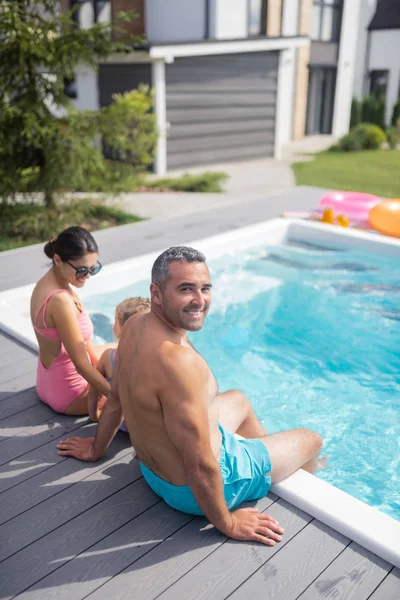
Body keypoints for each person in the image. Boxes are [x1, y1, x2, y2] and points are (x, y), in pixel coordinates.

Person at [57, 246, 324, 545]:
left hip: (153, 472)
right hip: (195, 492)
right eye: (186, 289)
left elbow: (117, 399)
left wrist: (96, 448)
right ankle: (273, 474)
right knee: (313, 440)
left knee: (238, 399)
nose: (200, 301)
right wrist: (229, 522)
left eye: (205, 288)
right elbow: (201, 463)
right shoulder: (181, 365)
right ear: (156, 293)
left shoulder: (133, 327)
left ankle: (260, 461)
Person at [31, 226, 114, 415]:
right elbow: (81, 364)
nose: (87, 276)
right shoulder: (60, 301)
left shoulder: (48, 283)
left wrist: (102, 366)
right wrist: (117, 397)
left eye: (93, 268)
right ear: (58, 260)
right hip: (71, 393)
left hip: (49, 380)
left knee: (123, 348)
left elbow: (84, 349)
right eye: (82, 270)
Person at [88, 296, 151, 430]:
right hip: (146, 432)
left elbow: (94, 387)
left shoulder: (108, 357)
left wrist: (94, 415)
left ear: (121, 330)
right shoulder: (155, 361)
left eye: (115, 322)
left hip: (121, 426)